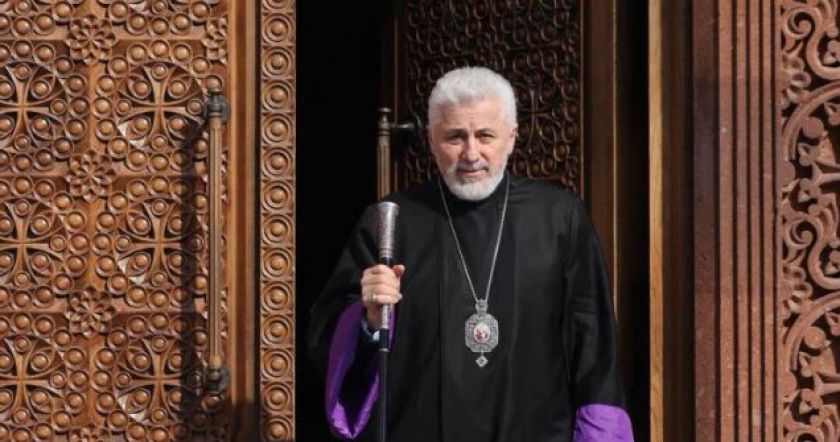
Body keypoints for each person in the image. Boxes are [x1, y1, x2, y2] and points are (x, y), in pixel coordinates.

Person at [307, 67, 633, 441]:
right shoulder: (390, 222)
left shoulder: (560, 219)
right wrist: (367, 317)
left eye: (485, 136)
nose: (471, 153)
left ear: (511, 138)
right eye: (455, 137)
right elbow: (330, 338)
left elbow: (594, 344)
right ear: (431, 140)